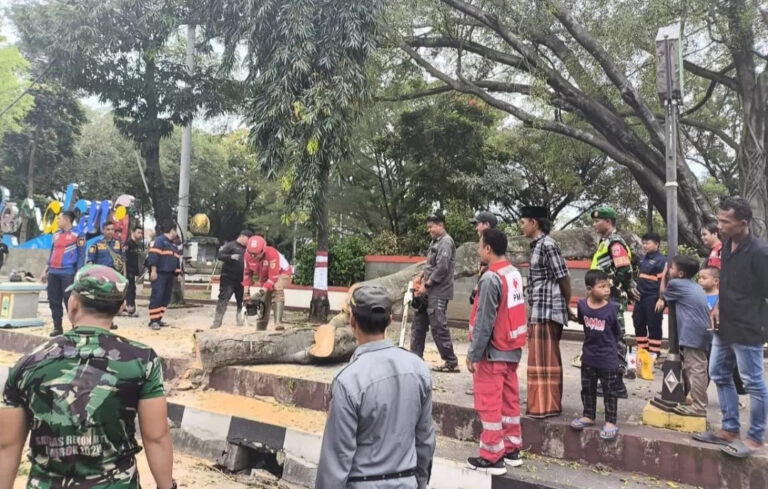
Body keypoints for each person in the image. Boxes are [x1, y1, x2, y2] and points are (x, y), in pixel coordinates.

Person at [0, 265, 175, 489]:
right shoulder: (142, 360)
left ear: (73, 303)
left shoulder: (29, 362)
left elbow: (6, 446)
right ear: (121, 307)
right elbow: (157, 437)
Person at [315, 285, 435, 489]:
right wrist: (420, 482)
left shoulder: (348, 380)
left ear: (352, 321)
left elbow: (336, 460)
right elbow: (425, 440)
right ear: (390, 320)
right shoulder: (418, 369)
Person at [694, 197, 768, 458]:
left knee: (753, 382)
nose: (720, 225)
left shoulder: (760, 253)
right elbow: (725, 280)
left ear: (743, 223)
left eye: (725, 221)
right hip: (724, 324)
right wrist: (717, 305)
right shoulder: (726, 245)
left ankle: (755, 437)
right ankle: (729, 429)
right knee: (717, 372)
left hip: (748, 326)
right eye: (719, 220)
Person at [466, 228, 527, 474]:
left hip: (492, 352)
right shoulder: (513, 273)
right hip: (512, 349)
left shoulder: (491, 278)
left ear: (488, 248)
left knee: (489, 404)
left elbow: (484, 321)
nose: (478, 249)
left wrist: (473, 354)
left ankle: (492, 457)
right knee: (509, 402)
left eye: (480, 245)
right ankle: (511, 449)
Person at [521, 206, 572, 419]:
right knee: (539, 359)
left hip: (548, 309)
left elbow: (563, 276)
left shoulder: (548, 244)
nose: (522, 226)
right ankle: (540, 404)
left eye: (524, 222)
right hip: (539, 309)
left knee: (544, 359)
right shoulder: (537, 246)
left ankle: (545, 406)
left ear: (534, 223)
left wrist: (566, 303)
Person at [584, 206, 635, 397]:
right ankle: (610, 382)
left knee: (614, 338)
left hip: (612, 298)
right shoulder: (605, 242)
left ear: (608, 222)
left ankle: (617, 384)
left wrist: (611, 288)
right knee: (605, 338)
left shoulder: (615, 243)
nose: (594, 224)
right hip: (605, 298)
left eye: (598, 221)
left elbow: (625, 271)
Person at [657, 256, 712, 418]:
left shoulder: (676, 284)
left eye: (672, 268)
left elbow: (662, 294)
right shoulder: (693, 285)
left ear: (680, 273)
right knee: (696, 368)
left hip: (693, 332)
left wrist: (663, 275)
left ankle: (699, 407)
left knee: (696, 370)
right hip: (701, 330)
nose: (670, 270)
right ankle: (694, 400)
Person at [571, 270, 621, 441]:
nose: (607, 289)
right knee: (587, 388)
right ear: (589, 289)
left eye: (607, 286)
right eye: (601, 286)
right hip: (589, 356)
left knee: (610, 391)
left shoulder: (612, 308)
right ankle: (588, 415)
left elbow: (617, 332)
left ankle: (611, 422)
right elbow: (582, 322)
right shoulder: (582, 305)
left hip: (608, 357)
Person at [410, 212, 459, 373]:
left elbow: (442, 268)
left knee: (438, 326)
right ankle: (415, 358)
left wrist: (426, 285)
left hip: (438, 291)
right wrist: (421, 276)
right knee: (418, 324)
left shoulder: (446, 242)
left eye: (431, 227)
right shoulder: (435, 241)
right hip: (427, 292)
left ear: (440, 225)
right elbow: (430, 264)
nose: (429, 230)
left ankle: (450, 361)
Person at [41, 211, 86, 337]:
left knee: (69, 300)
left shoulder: (78, 234)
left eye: (59, 218)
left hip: (68, 272)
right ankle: (57, 327)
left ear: (66, 220)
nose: (57, 220)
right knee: (53, 300)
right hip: (53, 272)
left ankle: (75, 327)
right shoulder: (56, 235)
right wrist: (45, 270)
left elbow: (81, 255)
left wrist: (79, 272)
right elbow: (52, 253)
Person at [242, 235, 293, 331]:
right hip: (265, 276)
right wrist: (246, 294)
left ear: (263, 250)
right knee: (264, 299)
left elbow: (273, 278)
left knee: (277, 287)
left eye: (256, 254)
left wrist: (259, 293)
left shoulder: (272, 254)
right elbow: (247, 274)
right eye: (251, 254)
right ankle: (261, 326)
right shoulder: (247, 256)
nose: (253, 257)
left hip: (281, 273)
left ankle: (278, 323)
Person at [633, 232, 666, 358]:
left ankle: (654, 353)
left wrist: (661, 299)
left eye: (647, 243)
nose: (645, 246)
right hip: (640, 297)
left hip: (653, 297)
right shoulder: (642, 259)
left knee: (654, 324)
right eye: (643, 243)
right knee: (638, 322)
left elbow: (663, 282)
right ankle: (642, 351)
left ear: (656, 244)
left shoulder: (661, 261)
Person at [212, 230, 253, 329]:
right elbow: (219, 255)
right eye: (248, 239)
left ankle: (241, 320)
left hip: (242, 279)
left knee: (242, 301)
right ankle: (217, 321)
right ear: (243, 236)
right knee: (223, 299)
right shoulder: (230, 245)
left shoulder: (248, 249)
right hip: (228, 278)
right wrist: (230, 257)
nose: (248, 242)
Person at [146, 224, 182, 330]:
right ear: (172, 230)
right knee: (157, 296)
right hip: (160, 274)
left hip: (170, 275)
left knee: (165, 298)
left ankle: (158, 318)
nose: (177, 234)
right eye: (176, 231)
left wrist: (178, 274)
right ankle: (153, 321)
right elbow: (154, 256)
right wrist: (153, 271)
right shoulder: (159, 241)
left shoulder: (173, 245)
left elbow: (176, 261)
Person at [124, 225, 144, 317]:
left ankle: (131, 307)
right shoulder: (128, 244)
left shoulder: (136, 244)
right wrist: (125, 271)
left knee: (133, 289)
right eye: (138, 232)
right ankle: (129, 307)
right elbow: (124, 258)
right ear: (133, 232)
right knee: (130, 289)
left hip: (133, 270)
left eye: (141, 233)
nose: (140, 235)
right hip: (128, 270)